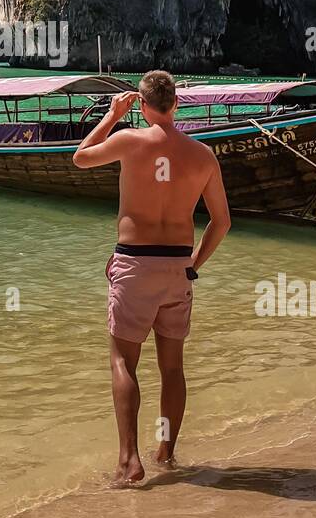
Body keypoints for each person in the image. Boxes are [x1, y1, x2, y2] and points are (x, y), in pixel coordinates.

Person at [72, 70, 230, 485]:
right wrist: (194, 264)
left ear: (142, 106)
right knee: (172, 368)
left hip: (134, 264)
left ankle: (129, 460)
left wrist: (110, 117)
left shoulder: (129, 140)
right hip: (178, 266)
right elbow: (221, 221)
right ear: (175, 104)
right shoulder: (202, 156)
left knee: (124, 361)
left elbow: (80, 156)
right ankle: (165, 451)